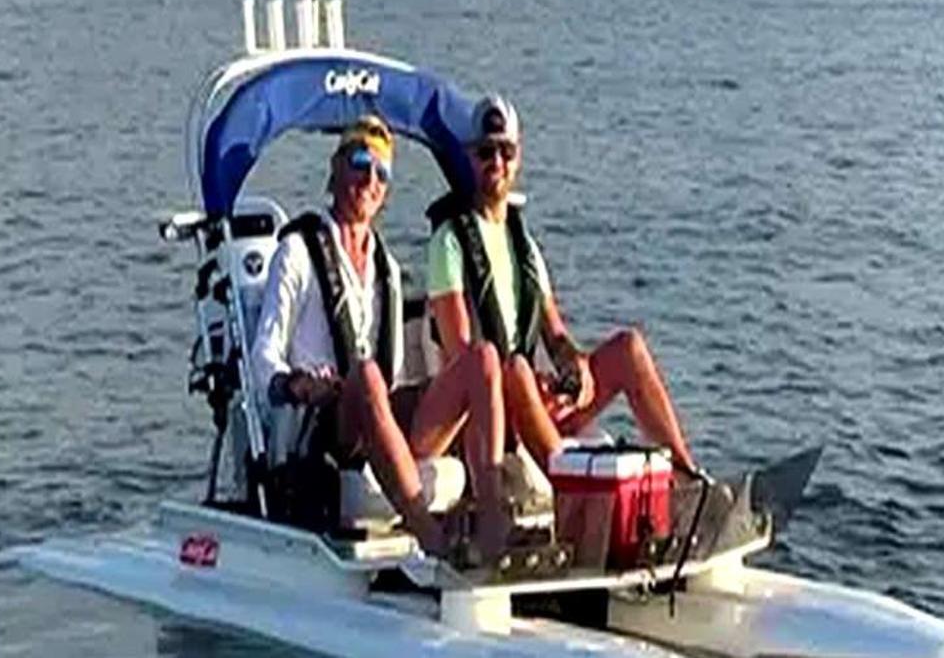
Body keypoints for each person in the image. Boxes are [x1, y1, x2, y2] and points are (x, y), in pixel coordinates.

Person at [253, 116, 512, 558]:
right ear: (335, 170)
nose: (370, 179)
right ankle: (429, 537)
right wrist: (299, 384)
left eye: (382, 173)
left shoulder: (386, 269)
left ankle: (492, 524)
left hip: (378, 411)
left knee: (483, 359)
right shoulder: (296, 254)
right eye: (360, 163)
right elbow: (263, 360)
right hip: (323, 429)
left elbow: (390, 382)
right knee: (369, 376)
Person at [425, 96, 701, 475]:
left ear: (518, 157)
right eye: (486, 152)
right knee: (518, 372)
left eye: (505, 152)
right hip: (488, 411)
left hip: (534, 401)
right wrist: (527, 384)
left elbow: (555, 335)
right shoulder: (449, 243)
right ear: (471, 157)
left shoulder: (525, 247)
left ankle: (689, 478)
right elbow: (463, 358)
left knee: (629, 349)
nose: (497, 163)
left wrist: (573, 370)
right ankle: (575, 494)